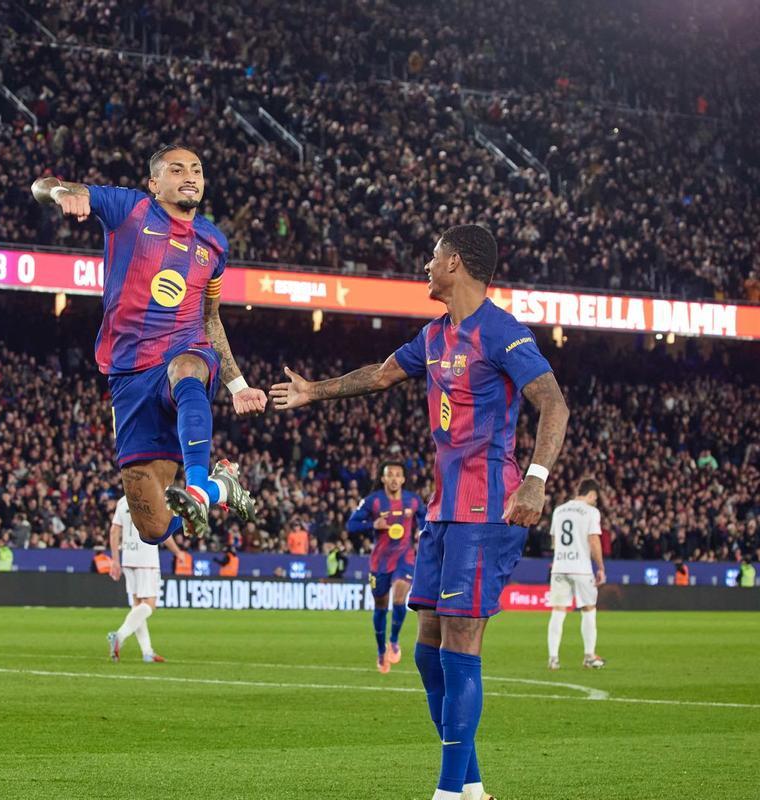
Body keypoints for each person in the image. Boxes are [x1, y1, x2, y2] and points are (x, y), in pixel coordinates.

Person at [271, 225, 569, 800]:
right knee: (427, 651)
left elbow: (553, 405)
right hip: (441, 510)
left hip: (487, 508)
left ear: (454, 263)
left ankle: (449, 792)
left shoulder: (502, 332)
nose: (425, 265)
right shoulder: (435, 335)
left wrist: (534, 483)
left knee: (460, 641)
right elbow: (380, 375)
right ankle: (473, 784)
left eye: (433, 257)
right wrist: (313, 392)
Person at [31, 144, 267, 542]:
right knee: (153, 528)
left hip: (184, 353)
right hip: (128, 375)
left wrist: (238, 386)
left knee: (186, 367)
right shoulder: (131, 209)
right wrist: (61, 194)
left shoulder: (214, 243)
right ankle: (219, 487)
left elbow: (210, 318)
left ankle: (195, 485)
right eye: (177, 170)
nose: (190, 176)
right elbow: (42, 185)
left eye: (196, 169)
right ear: (154, 183)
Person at [347, 460, 427, 673]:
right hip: (380, 561)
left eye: (397, 474)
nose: (393, 478)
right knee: (381, 606)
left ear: (403, 479)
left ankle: (393, 641)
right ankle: (381, 651)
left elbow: (426, 518)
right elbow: (351, 525)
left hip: (405, 557)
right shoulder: (373, 502)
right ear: (382, 478)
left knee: (400, 596)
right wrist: (371, 525)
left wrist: (422, 531)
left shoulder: (413, 501)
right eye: (389, 474)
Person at [106, 494, 181, 663]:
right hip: (147, 559)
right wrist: (177, 552)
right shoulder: (153, 499)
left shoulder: (123, 501)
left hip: (128, 558)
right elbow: (164, 533)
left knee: (137, 607)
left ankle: (147, 652)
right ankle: (119, 635)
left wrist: (115, 561)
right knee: (149, 605)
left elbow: (114, 531)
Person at [546, 478, 606, 670]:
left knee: (558, 611)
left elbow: (554, 542)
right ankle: (589, 656)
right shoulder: (591, 512)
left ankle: (553, 659)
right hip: (581, 567)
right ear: (592, 495)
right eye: (595, 499)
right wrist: (601, 567)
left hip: (560, 566)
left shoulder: (559, 510)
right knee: (588, 609)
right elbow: (594, 541)